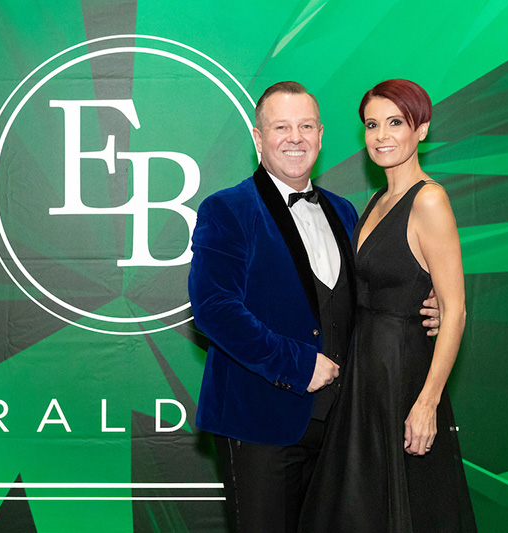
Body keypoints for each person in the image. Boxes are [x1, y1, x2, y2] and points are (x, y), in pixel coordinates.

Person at [188, 81, 439, 532]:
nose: (295, 137)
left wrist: (424, 306)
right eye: (281, 127)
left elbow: (365, 300)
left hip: (344, 426)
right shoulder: (227, 209)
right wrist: (298, 365)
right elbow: (213, 308)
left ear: (321, 136)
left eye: (306, 126)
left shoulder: (346, 212)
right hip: (260, 423)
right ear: (258, 138)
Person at [298, 79, 476, 532]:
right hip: (364, 377)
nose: (381, 136)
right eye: (372, 124)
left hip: (403, 375)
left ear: (422, 129)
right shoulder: (378, 200)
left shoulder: (429, 200)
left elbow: (454, 310)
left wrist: (427, 403)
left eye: (395, 123)